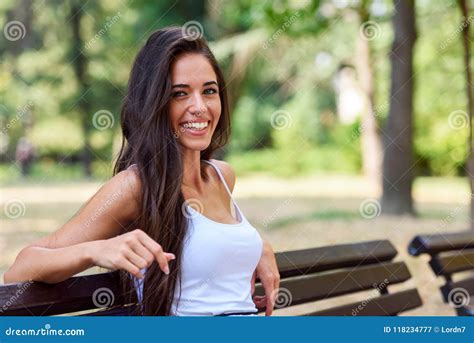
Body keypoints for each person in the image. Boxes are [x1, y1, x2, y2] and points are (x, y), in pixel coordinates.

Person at [4, 26, 280, 316]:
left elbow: (210, 240)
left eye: (209, 91)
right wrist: (96, 250)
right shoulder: (135, 185)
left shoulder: (223, 176)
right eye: (179, 94)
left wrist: (254, 245)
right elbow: (19, 271)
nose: (199, 107)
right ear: (154, 103)